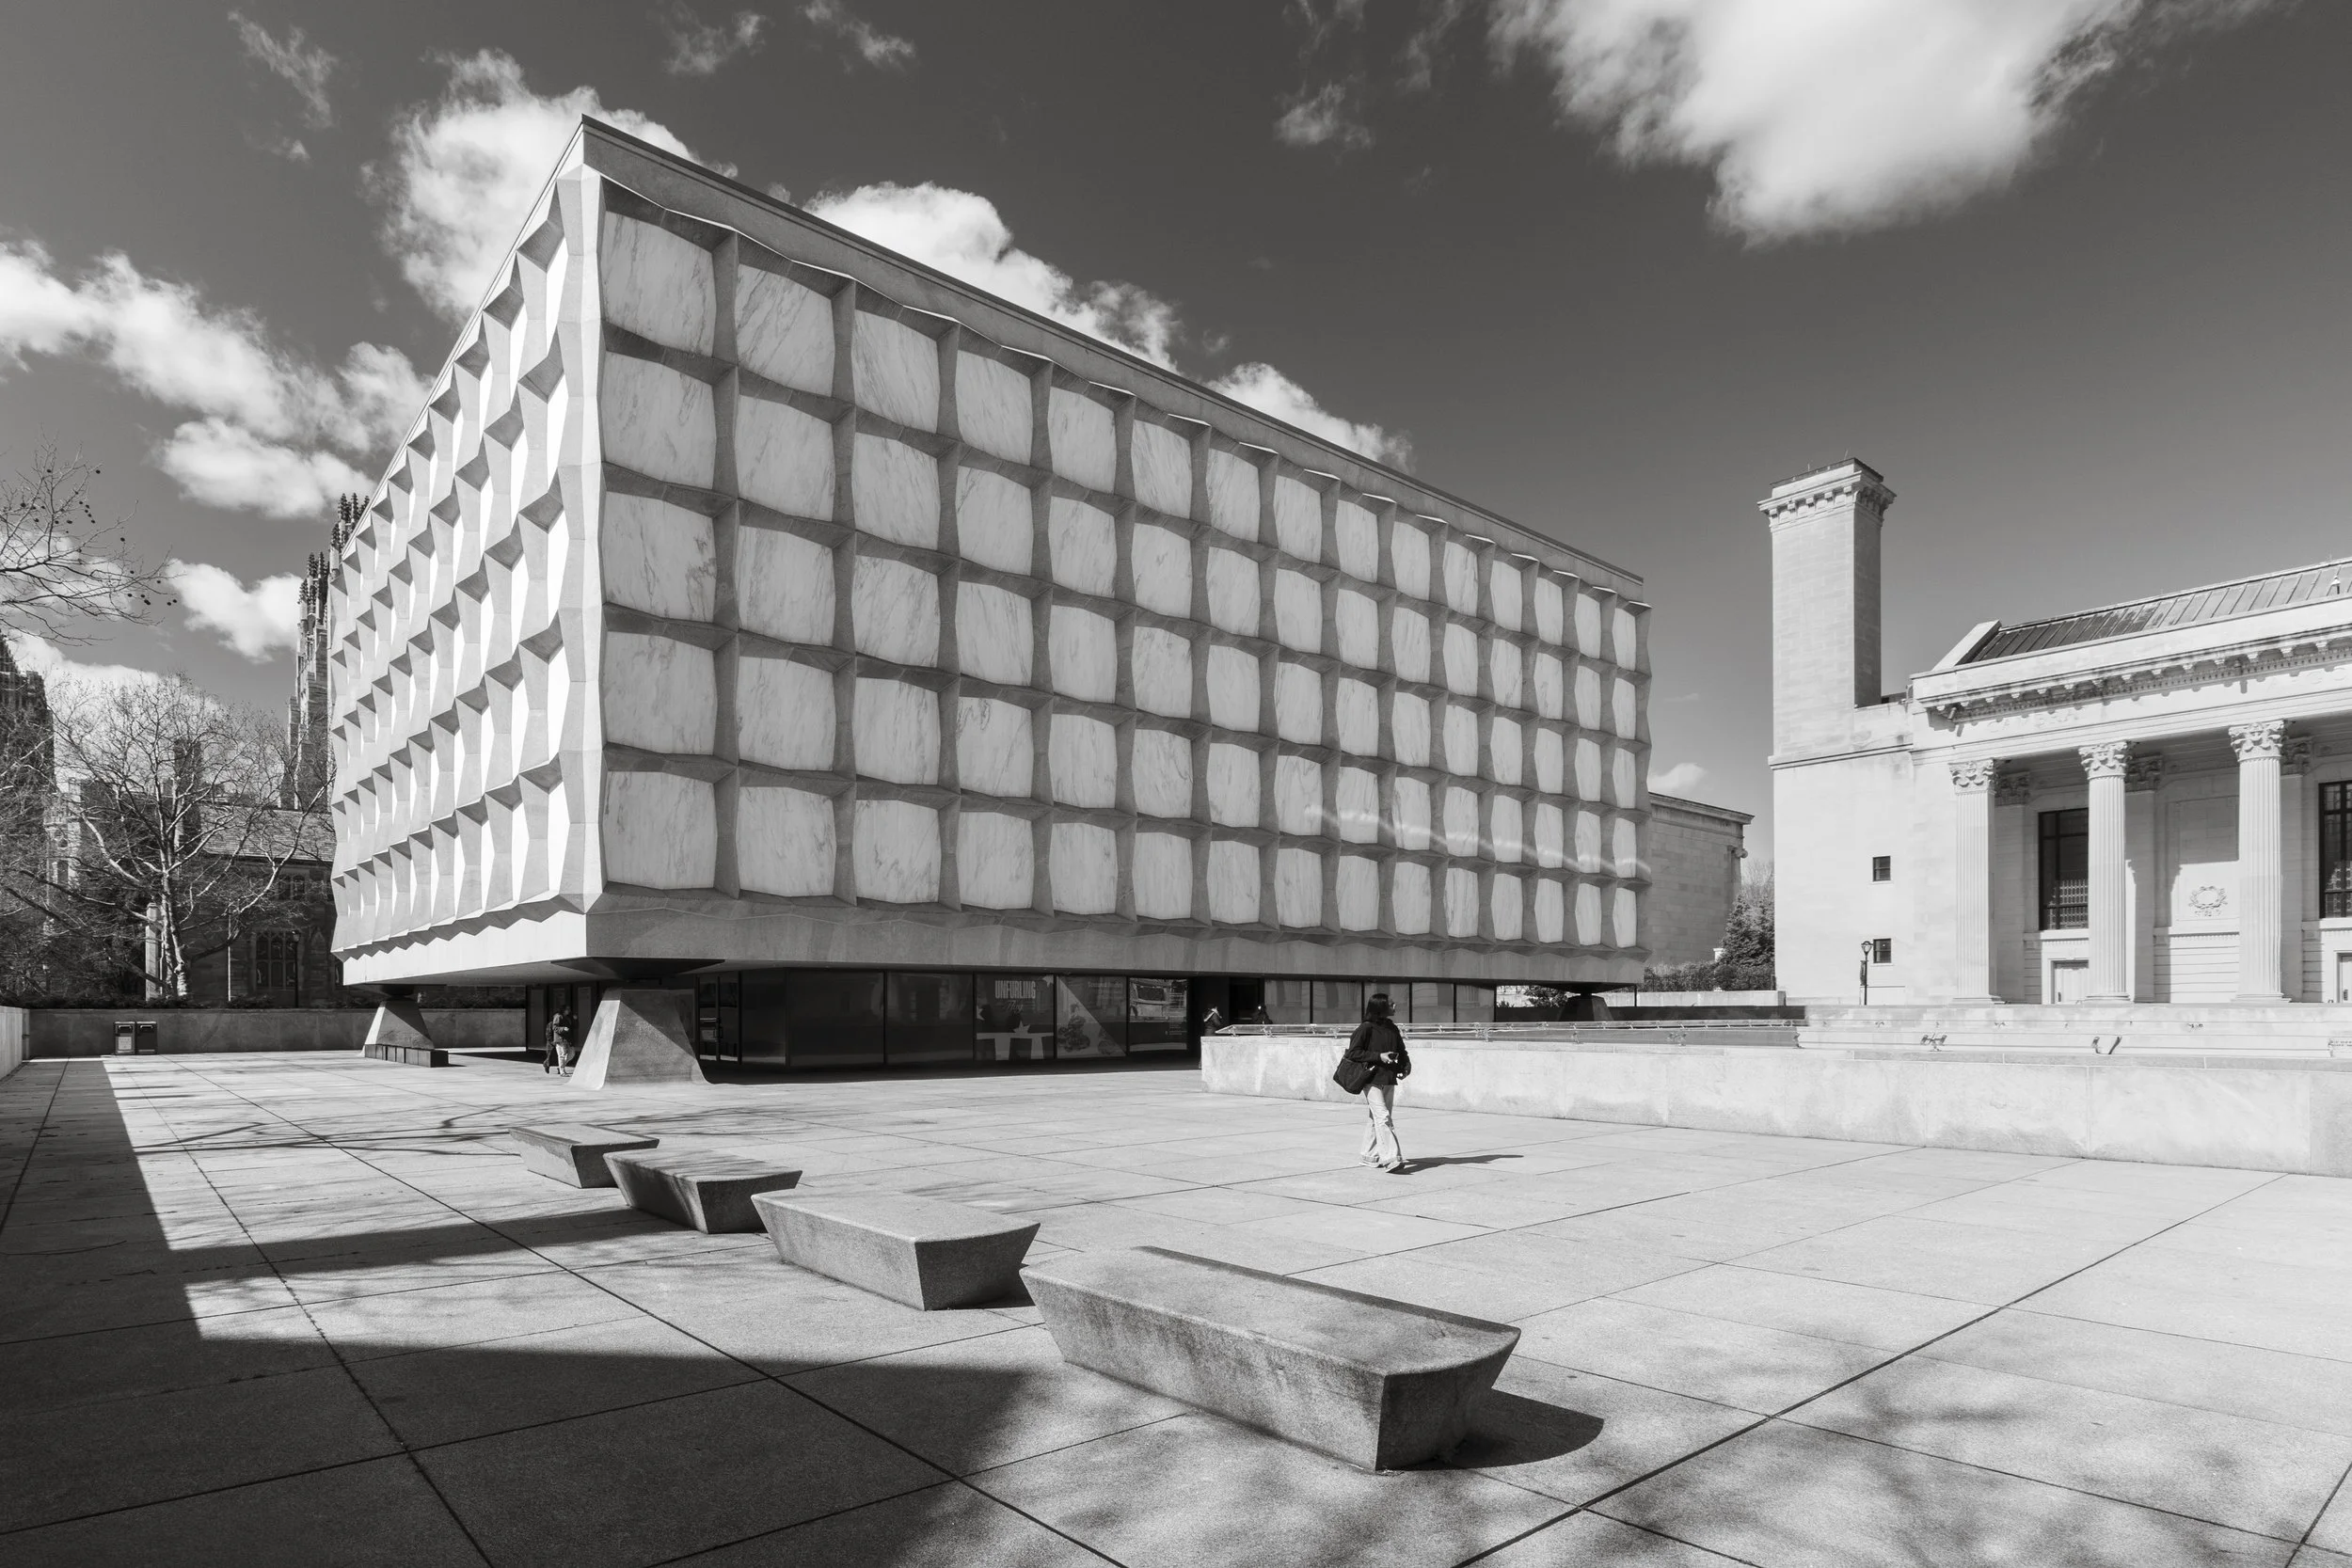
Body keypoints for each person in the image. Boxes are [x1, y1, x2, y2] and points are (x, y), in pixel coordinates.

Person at [1343, 992, 1410, 1171]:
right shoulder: (1366, 1028)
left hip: (1388, 1077)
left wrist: (1406, 1065)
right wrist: (1378, 1056)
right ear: (1381, 1006)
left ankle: (1369, 1157)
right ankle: (1391, 1158)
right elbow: (1353, 1053)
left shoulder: (1392, 1027)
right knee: (1383, 1117)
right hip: (1370, 1078)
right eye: (1391, 1004)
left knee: (1376, 1118)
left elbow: (1401, 1050)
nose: (1395, 1006)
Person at [545, 1009, 574, 1075]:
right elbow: (552, 1030)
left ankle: (560, 1067)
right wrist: (563, 1029)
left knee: (571, 1053)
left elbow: (574, 1026)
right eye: (567, 1009)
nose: (568, 1011)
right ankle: (562, 1071)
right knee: (561, 1055)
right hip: (559, 1040)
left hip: (567, 1039)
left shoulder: (567, 1018)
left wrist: (575, 1019)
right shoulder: (557, 1017)